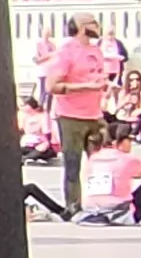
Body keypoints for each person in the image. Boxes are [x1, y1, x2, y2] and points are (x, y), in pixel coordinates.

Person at [41, 15, 113, 212]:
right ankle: (74, 207)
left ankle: (100, 205)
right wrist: (86, 86)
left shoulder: (96, 50)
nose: (97, 26)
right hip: (70, 116)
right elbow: (51, 86)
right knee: (73, 165)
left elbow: (95, 75)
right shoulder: (65, 52)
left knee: (100, 163)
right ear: (81, 27)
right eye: (93, 23)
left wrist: (103, 85)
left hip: (95, 114)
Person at [69, 124, 141, 226]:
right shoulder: (128, 160)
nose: (131, 144)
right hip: (118, 211)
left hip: (91, 209)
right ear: (119, 141)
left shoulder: (93, 158)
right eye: (129, 140)